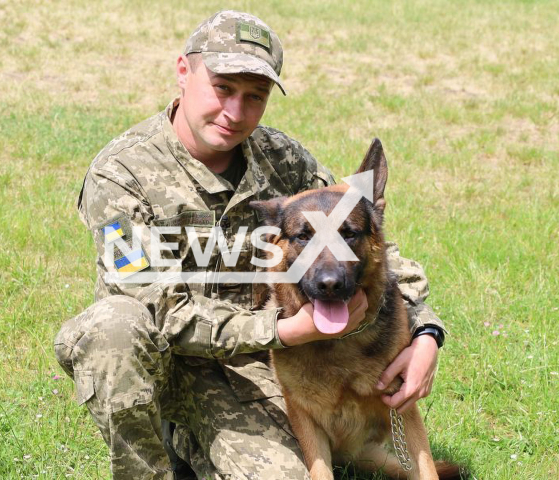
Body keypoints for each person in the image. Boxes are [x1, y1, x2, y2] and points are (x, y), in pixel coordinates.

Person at [54, 10, 446, 480]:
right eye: (222, 89)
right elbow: (155, 307)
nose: (235, 113)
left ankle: (197, 445)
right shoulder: (120, 175)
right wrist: (282, 334)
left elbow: (367, 244)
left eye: (254, 97)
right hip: (163, 362)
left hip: (247, 370)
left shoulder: (284, 160)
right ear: (184, 71)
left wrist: (426, 332)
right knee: (113, 327)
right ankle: (153, 455)